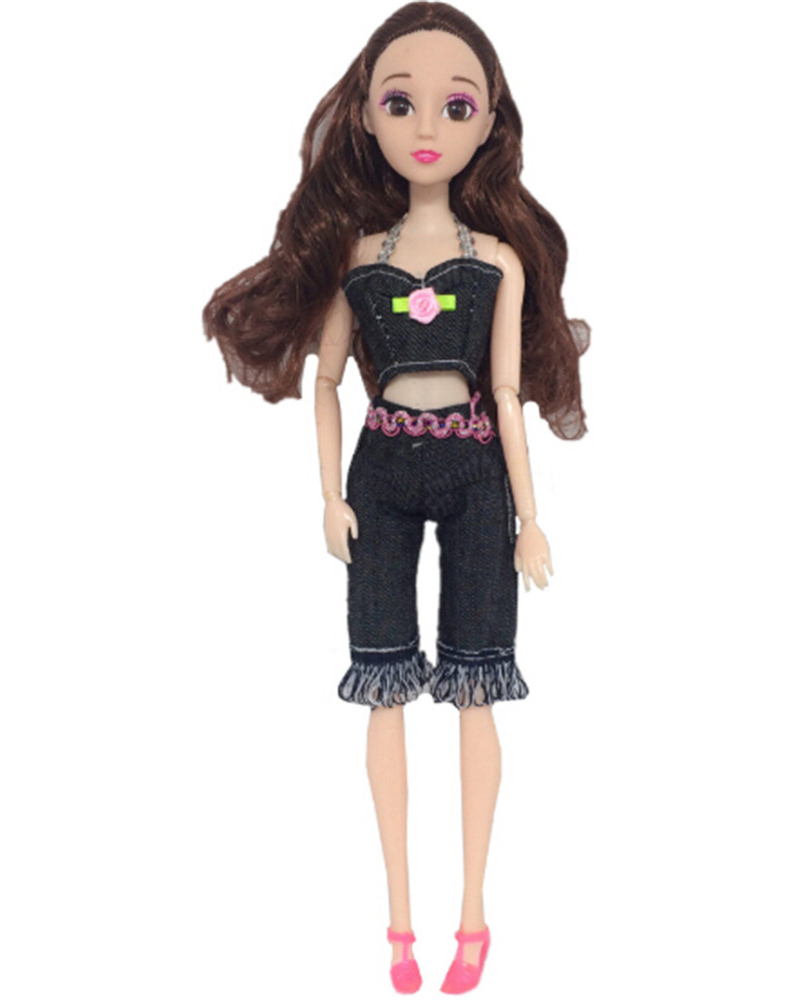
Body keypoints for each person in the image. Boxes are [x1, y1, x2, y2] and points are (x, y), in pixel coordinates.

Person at [202, 3, 588, 993]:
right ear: (366, 116)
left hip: (475, 472)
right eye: (399, 102)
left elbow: (507, 393)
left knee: (475, 684)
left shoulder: (497, 263)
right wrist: (327, 495)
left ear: (489, 119)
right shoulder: (357, 259)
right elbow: (327, 382)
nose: (426, 127)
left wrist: (531, 516)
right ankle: (400, 922)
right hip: (379, 471)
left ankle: (473, 913)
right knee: (383, 684)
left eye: (455, 106)